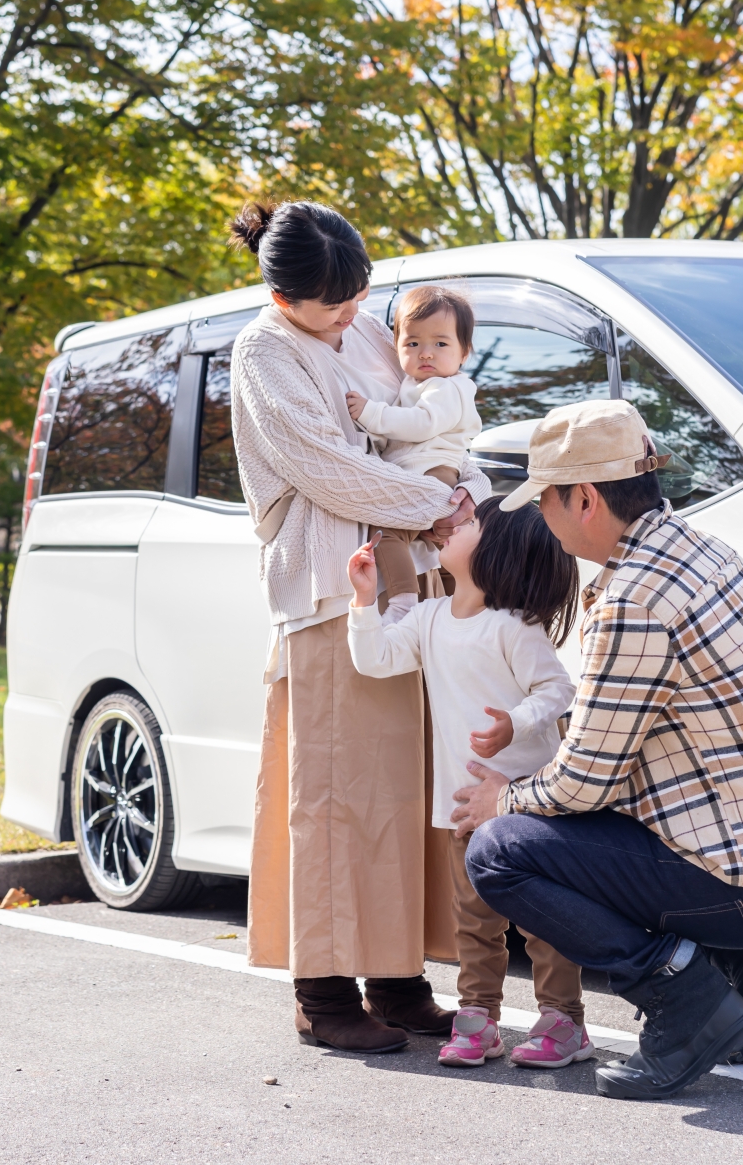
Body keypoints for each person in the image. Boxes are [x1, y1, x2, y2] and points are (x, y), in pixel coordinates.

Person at [451, 399, 743, 1101]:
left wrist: (502, 799)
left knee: (499, 851)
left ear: (583, 498)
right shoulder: (703, 552)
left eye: (544, 501)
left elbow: (583, 783)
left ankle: (686, 996)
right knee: (582, 822)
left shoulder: (634, 598)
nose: (539, 519)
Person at [227, 199, 491, 1053]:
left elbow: (433, 418)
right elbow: (324, 467)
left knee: (405, 788)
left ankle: (397, 977)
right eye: (331, 303)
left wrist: (459, 499)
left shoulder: (372, 329)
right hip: (331, 588)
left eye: (357, 294)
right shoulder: (263, 351)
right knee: (337, 794)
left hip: (408, 576)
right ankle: (325, 991)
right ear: (282, 293)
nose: (350, 314)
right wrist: (440, 506)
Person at [344, 495, 594, 1071]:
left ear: (500, 549)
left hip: (528, 804)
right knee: (474, 919)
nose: (455, 524)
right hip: (462, 804)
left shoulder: (514, 627)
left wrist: (515, 724)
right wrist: (363, 600)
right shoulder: (430, 618)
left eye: (471, 521)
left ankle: (565, 1020)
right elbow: (376, 659)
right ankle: (478, 1017)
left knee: (542, 919)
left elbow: (557, 692)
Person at [345, 285, 483, 623]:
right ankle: (466, 601)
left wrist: (370, 415)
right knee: (441, 545)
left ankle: (403, 601)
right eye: (412, 343)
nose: (426, 353)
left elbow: (420, 425)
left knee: (387, 533)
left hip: (432, 473)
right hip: (424, 472)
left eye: (440, 343)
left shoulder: (447, 388)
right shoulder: (417, 385)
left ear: (464, 352)